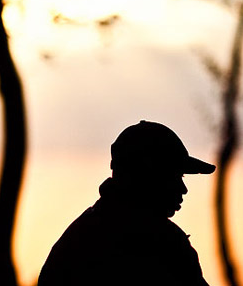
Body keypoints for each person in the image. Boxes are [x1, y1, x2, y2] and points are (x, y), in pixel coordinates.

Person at [37, 120, 215, 285]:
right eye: (174, 176)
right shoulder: (164, 243)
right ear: (148, 174)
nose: (183, 189)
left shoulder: (75, 240)